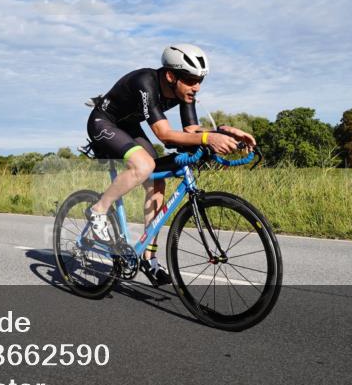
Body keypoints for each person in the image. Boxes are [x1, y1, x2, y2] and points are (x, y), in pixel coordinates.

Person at [85, 44, 256, 287]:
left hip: (130, 127)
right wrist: (209, 138)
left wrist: (226, 133)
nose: (196, 87)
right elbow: (164, 134)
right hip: (104, 122)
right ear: (170, 75)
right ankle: (98, 210)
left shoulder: (185, 93)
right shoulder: (146, 81)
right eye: (190, 80)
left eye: (200, 80)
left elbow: (192, 131)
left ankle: (148, 258)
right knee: (143, 166)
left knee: (157, 181)